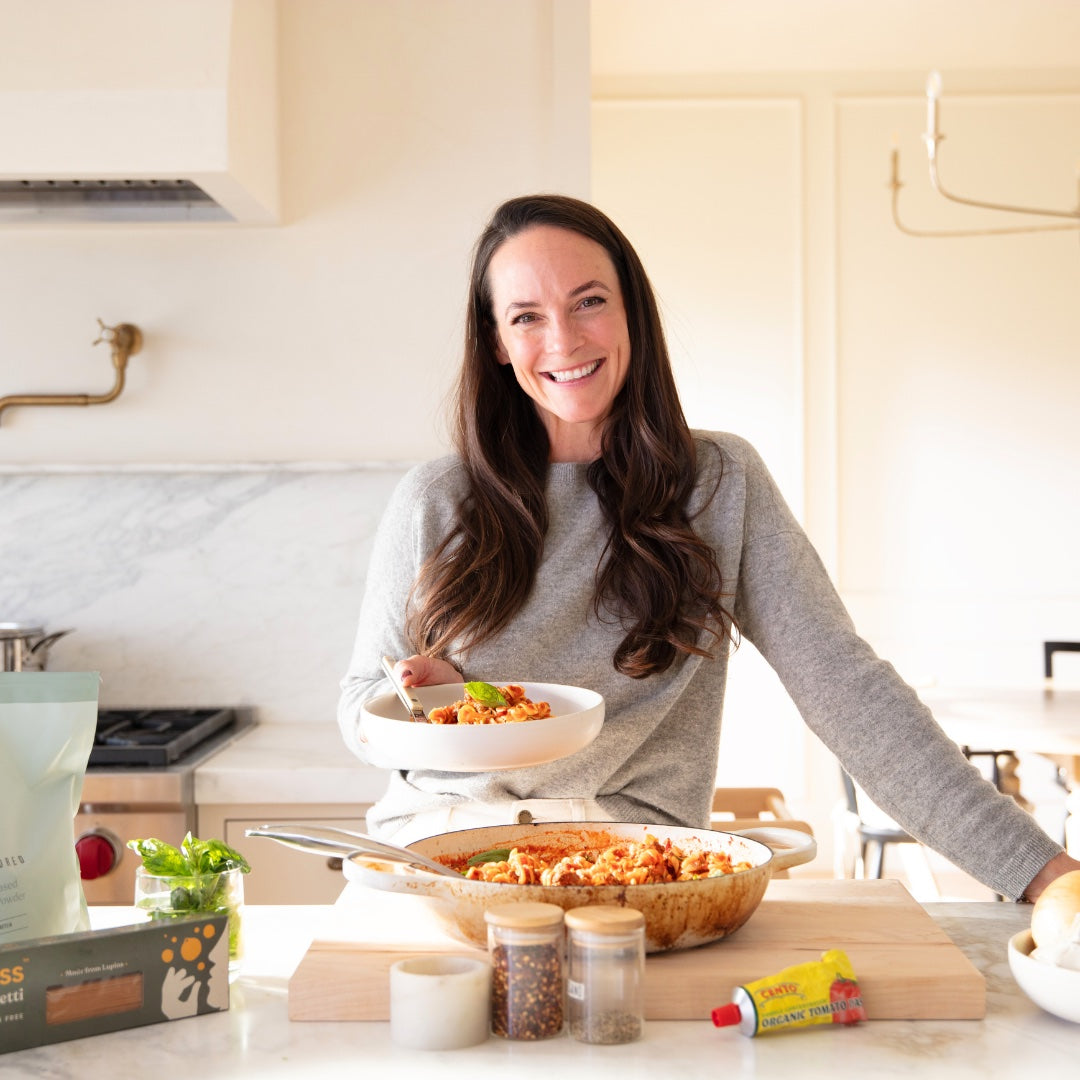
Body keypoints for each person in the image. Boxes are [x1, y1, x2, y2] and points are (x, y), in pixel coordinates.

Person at [338, 193, 1078, 902]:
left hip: (634, 863)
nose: (563, 340)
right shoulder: (437, 498)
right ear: (497, 343)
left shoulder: (719, 485)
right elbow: (359, 715)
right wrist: (421, 704)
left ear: (632, 310)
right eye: (527, 316)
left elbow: (849, 693)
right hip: (435, 850)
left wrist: (1040, 872)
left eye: (589, 301)